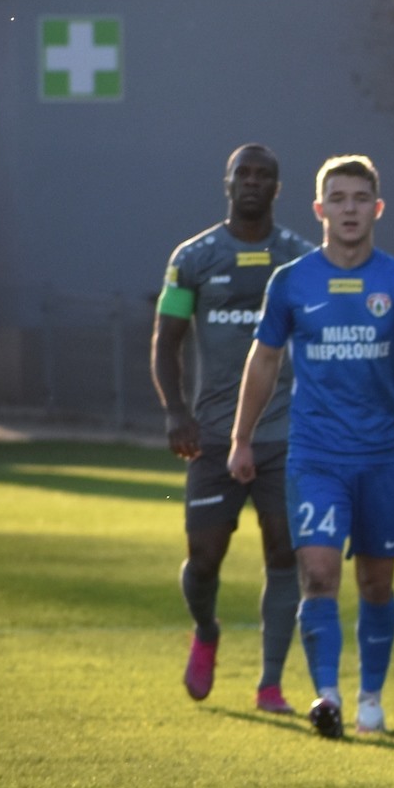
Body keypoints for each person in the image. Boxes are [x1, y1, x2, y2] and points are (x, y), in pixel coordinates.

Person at [229, 155, 394, 741]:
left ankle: (371, 696)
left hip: (381, 458)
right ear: (320, 210)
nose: (349, 209)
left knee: (377, 583)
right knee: (317, 574)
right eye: (338, 199)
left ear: (376, 209)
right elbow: (264, 360)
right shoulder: (291, 281)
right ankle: (326, 695)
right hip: (316, 457)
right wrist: (241, 437)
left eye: (359, 199)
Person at [151, 143, 314, 713]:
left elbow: (319, 344)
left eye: (263, 174)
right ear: (227, 183)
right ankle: (207, 631)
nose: (252, 181)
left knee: (283, 555)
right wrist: (175, 411)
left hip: (284, 436)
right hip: (213, 435)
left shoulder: (299, 259)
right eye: (243, 173)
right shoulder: (192, 258)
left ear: (277, 188)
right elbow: (167, 341)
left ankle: (269, 684)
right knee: (204, 558)